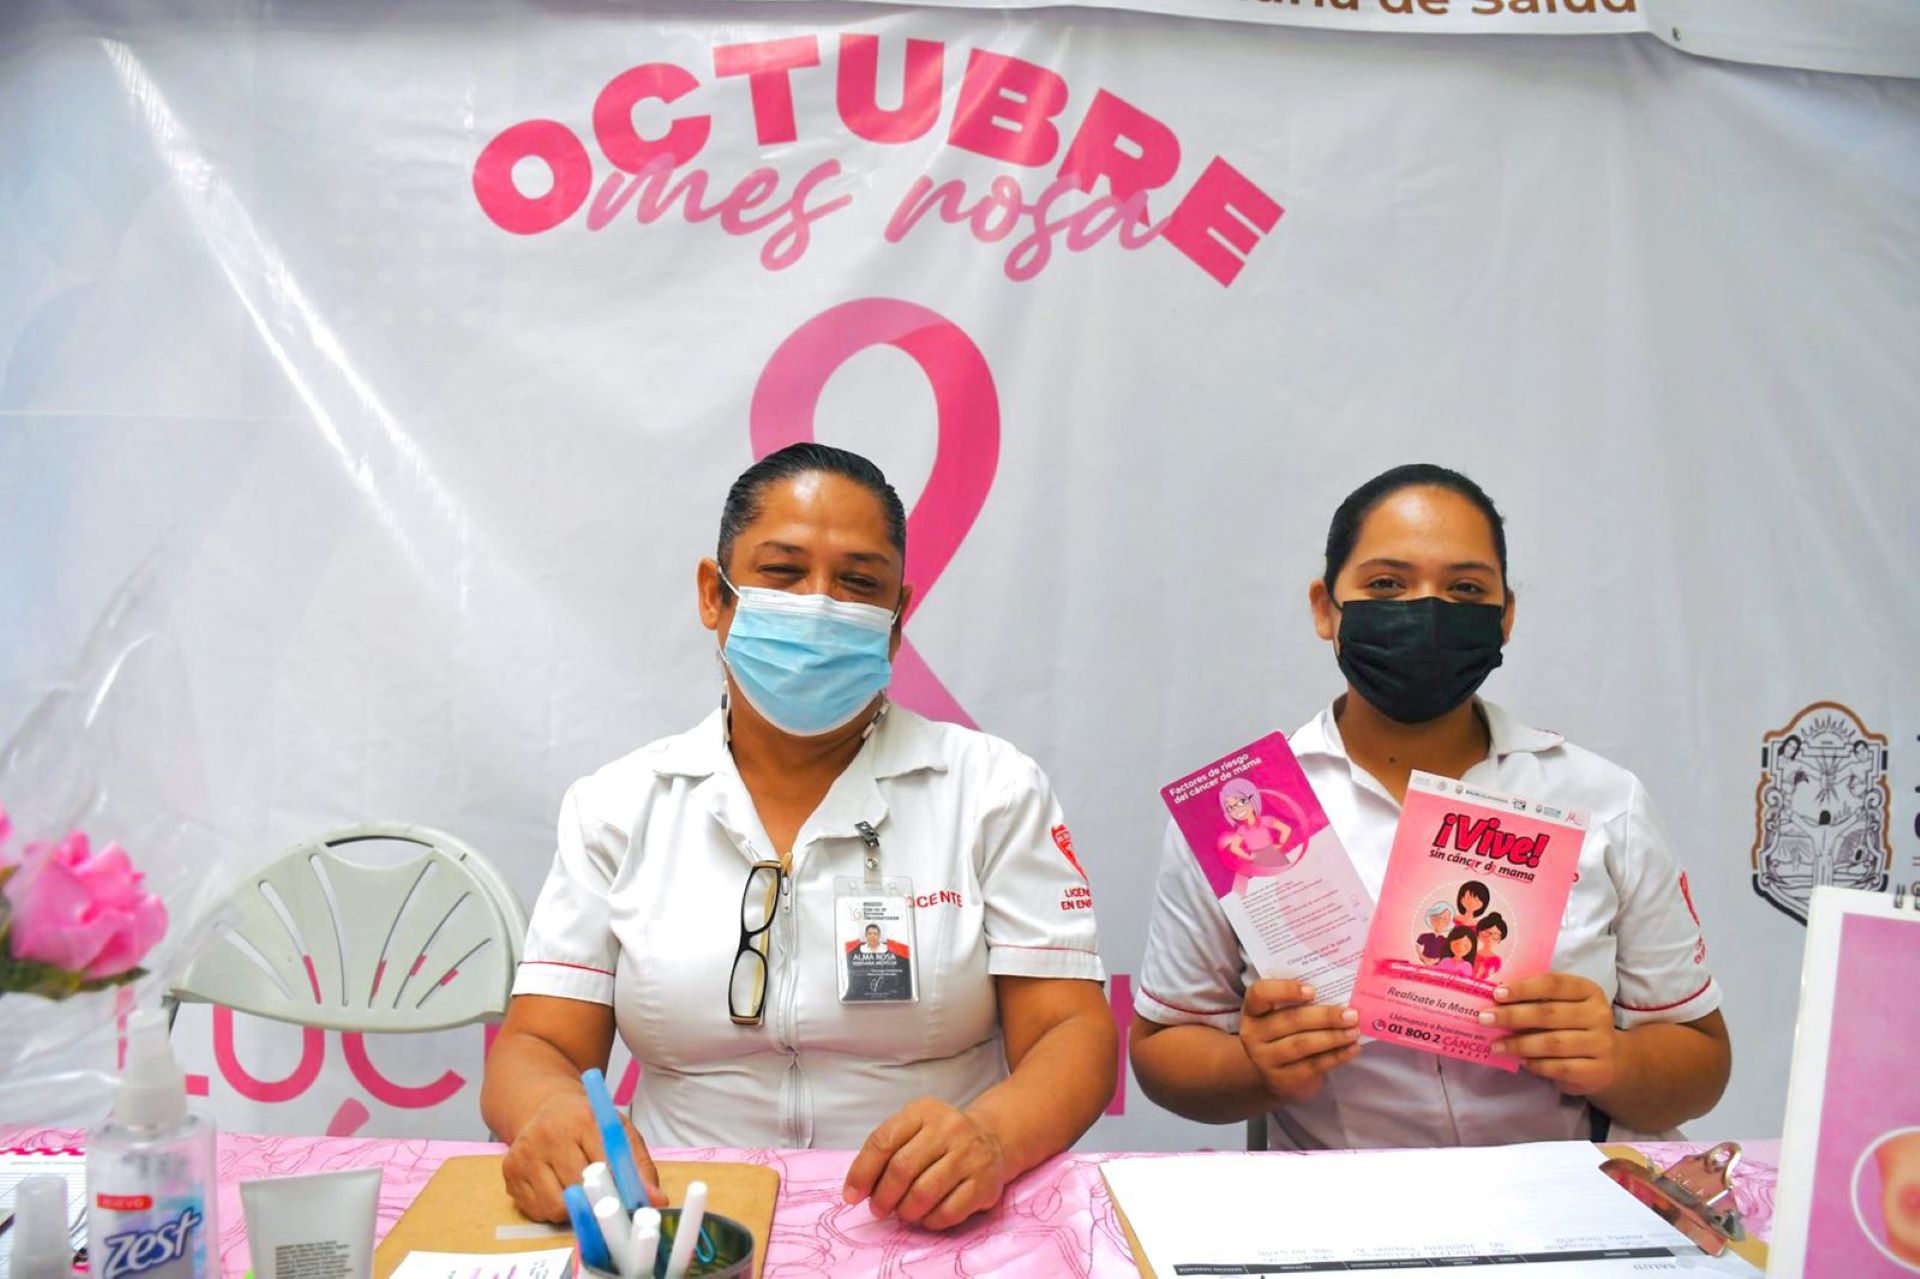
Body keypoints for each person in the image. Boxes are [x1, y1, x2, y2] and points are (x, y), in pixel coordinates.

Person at [481, 443, 1115, 1229]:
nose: (820, 605)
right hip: (684, 1220)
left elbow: (1071, 1032)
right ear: (716, 595)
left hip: (926, 1216)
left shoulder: (990, 788)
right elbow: (536, 1043)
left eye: (857, 582)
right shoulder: (619, 805)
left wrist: (993, 1134)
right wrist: (551, 1115)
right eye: (783, 572)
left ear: (895, 618)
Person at [1131, 463, 1731, 1149]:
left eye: (1465, 588)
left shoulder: (1601, 800)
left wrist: (1616, 1060)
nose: (1426, 610)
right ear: (1326, 607)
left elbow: (1702, 1058)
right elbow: (1162, 1048)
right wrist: (1253, 1067)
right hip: (1337, 1214)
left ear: (1504, 617)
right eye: (1386, 584)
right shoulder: (1246, 809)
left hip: (1565, 1210)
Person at [1473, 913, 1508, 983]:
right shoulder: (1472, 953)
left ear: (1500, 938)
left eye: (1495, 935)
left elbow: (1495, 977)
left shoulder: (1496, 960)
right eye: (1486, 933)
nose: (1489, 938)